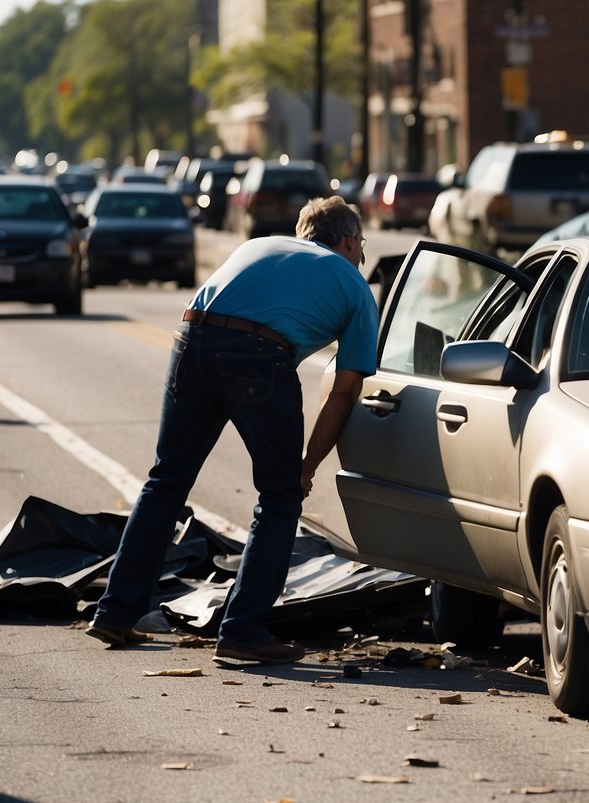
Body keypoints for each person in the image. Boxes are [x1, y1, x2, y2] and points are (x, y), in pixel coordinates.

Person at [86, 196, 377, 663]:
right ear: (346, 240)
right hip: (259, 356)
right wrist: (306, 468)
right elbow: (344, 393)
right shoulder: (353, 285)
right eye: (361, 244)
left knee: (166, 480)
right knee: (280, 497)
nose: (361, 255)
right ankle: (243, 630)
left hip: (192, 337)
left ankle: (115, 612)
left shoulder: (259, 246)